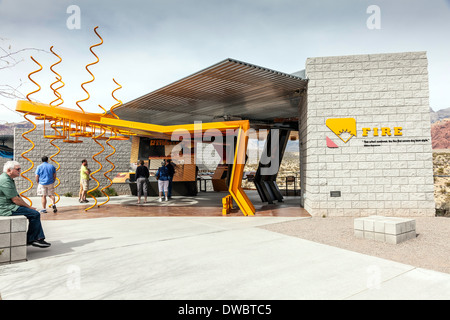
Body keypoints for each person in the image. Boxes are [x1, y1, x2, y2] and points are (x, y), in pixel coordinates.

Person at [0, 161, 51, 248]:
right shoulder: (5, 180)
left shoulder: (8, 178)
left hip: (9, 205)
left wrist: (27, 206)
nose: (20, 171)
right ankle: (34, 239)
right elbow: (15, 199)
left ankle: (34, 238)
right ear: (9, 170)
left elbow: (17, 197)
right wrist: (29, 207)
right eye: (18, 169)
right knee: (34, 214)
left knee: (32, 213)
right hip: (5, 208)